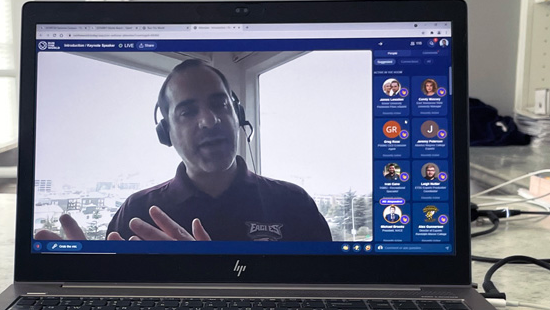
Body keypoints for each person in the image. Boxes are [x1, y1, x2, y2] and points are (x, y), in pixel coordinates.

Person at [35, 59, 331, 242]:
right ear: (166, 134)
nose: (209, 120)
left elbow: (330, 290)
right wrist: (88, 281)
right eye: (187, 112)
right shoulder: (137, 212)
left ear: (237, 115)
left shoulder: (294, 204)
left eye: (220, 104)